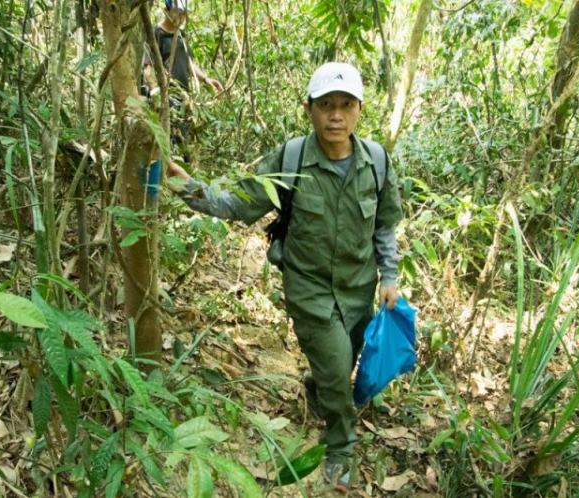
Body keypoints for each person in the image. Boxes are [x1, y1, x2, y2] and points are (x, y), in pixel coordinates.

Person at [165, 62, 403, 492]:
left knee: (341, 363)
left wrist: (390, 274)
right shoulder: (291, 158)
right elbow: (239, 203)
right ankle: (340, 448)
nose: (336, 115)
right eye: (325, 105)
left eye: (345, 105)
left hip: (358, 289)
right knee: (336, 369)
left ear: (359, 110)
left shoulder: (378, 162)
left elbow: (384, 225)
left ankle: (319, 388)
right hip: (309, 289)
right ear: (308, 109)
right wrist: (189, 188)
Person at [142, 0, 223, 154]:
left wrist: (205, 79)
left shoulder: (181, 35)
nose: (181, 17)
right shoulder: (155, 34)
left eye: (184, 13)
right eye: (177, 12)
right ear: (167, 10)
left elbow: (189, 63)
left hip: (182, 98)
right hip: (166, 98)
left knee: (181, 143)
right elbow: (147, 68)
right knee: (166, 143)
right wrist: (157, 94)